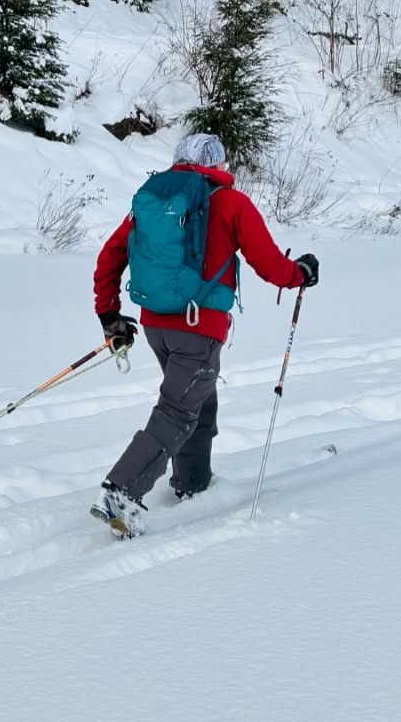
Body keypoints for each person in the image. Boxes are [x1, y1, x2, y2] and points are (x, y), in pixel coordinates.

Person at [92, 131, 318, 529]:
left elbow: (110, 255)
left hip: (156, 326)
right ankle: (121, 491)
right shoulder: (230, 202)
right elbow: (268, 263)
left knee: (199, 400)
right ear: (216, 164)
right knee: (177, 411)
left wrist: (110, 315)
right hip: (198, 328)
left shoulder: (153, 200)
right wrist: (299, 273)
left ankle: (192, 483)